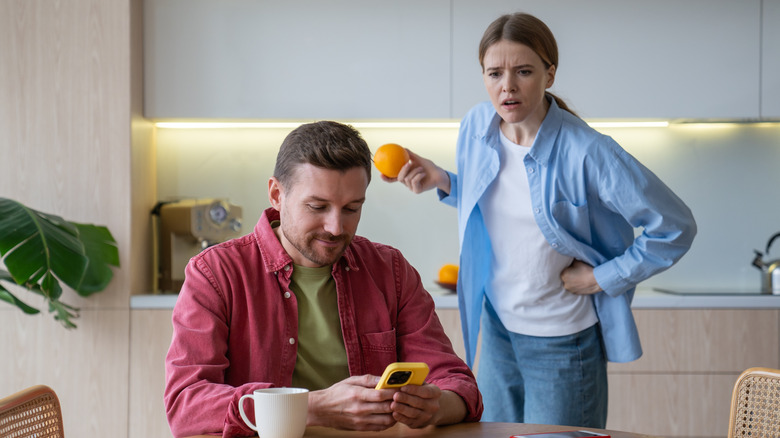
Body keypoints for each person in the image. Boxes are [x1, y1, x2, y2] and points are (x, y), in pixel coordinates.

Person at [387, 12, 696, 428]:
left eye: (524, 71)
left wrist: (602, 277)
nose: (507, 86)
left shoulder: (587, 150)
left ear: (549, 74)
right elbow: (503, 201)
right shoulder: (476, 125)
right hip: (496, 329)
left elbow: (675, 226)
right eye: (494, 73)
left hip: (563, 342)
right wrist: (442, 180)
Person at [164, 121, 483, 437]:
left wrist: (436, 405)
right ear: (277, 194)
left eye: (351, 208)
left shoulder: (391, 271)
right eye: (317, 206)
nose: (335, 227)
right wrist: (312, 406)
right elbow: (186, 404)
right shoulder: (214, 273)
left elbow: (458, 384)